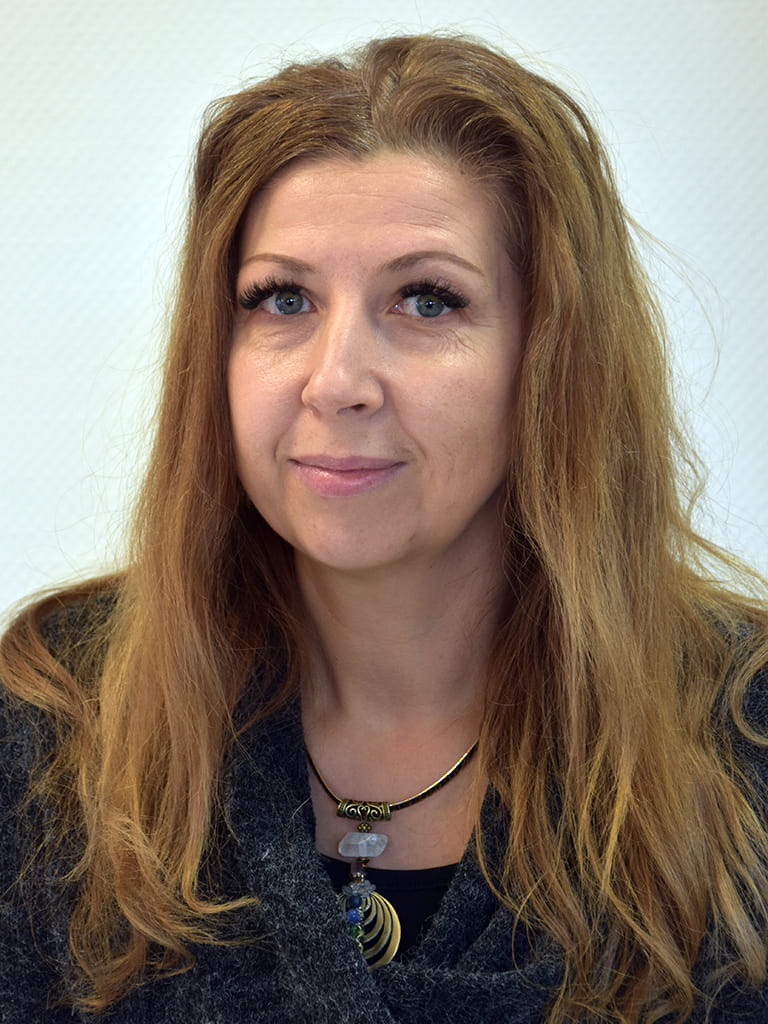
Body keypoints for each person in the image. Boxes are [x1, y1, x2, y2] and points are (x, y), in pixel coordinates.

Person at [1, 32, 767, 1024]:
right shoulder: (50, 723)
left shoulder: (745, 731)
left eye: (426, 300)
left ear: (550, 357)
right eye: (282, 299)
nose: (335, 382)